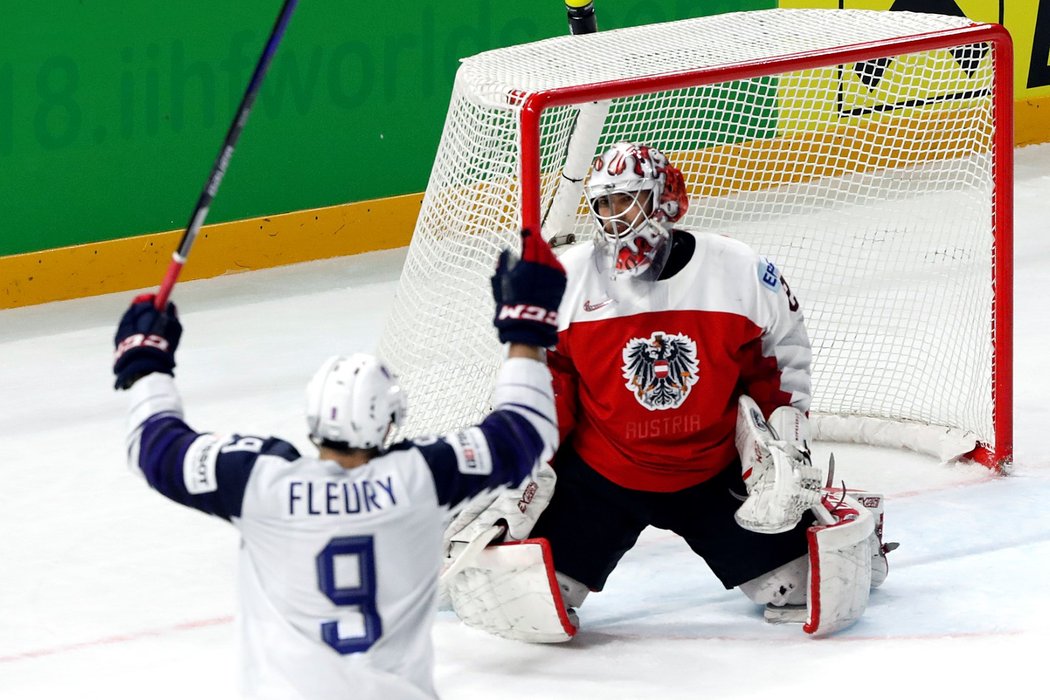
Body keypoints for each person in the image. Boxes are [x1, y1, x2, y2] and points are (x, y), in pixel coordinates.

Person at [442, 142, 892, 642]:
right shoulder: (568, 279)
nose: (615, 217)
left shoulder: (738, 269)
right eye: (604, 204)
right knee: (523, 600)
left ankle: (840, 514)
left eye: (628, 200)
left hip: (711, 473)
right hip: (601, 476)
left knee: (801, 587)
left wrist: (786, 443)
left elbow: (779, 360)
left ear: (665, 197)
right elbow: (551, 383)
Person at [112, 229, 566, 698]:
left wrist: (148, 367)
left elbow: (154, 448)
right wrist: (524, 332)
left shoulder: (261, 483)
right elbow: (526, 429)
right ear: (389, 421)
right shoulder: (420, 479)